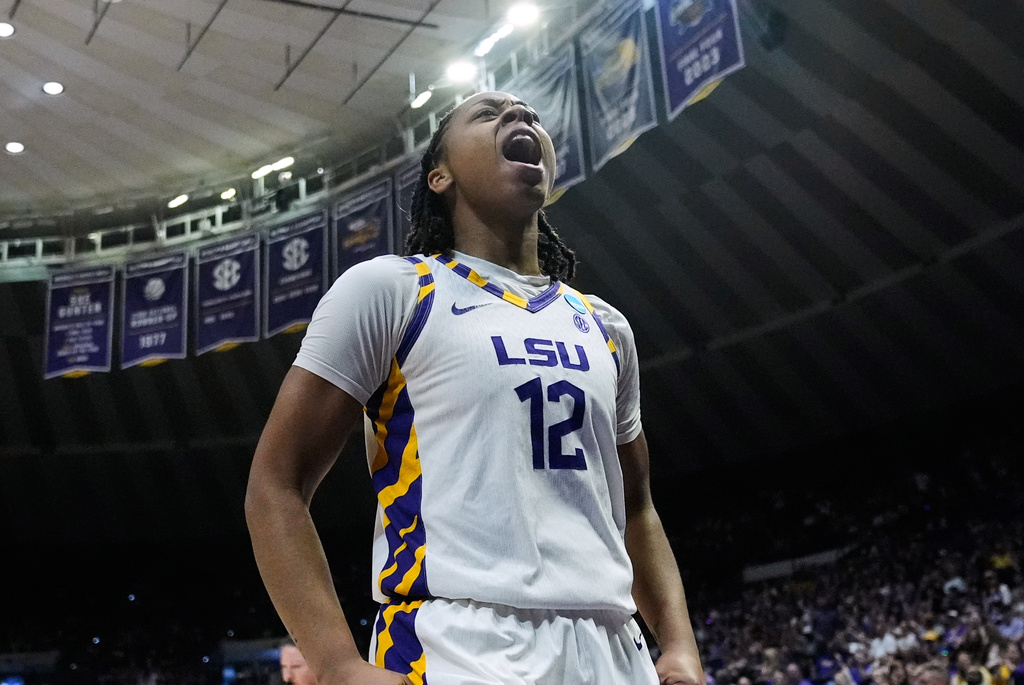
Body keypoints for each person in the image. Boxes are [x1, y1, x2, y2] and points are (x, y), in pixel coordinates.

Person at [245, 91, 705, 685]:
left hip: (614, 649)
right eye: (488, 114)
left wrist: (679, 646)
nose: (521, 117)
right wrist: (337, 665)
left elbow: (637, 510)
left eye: (531, 116)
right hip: (459, 641)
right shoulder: (392, 290)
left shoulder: (604, 325)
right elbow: (274, 485)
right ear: (439, 175)